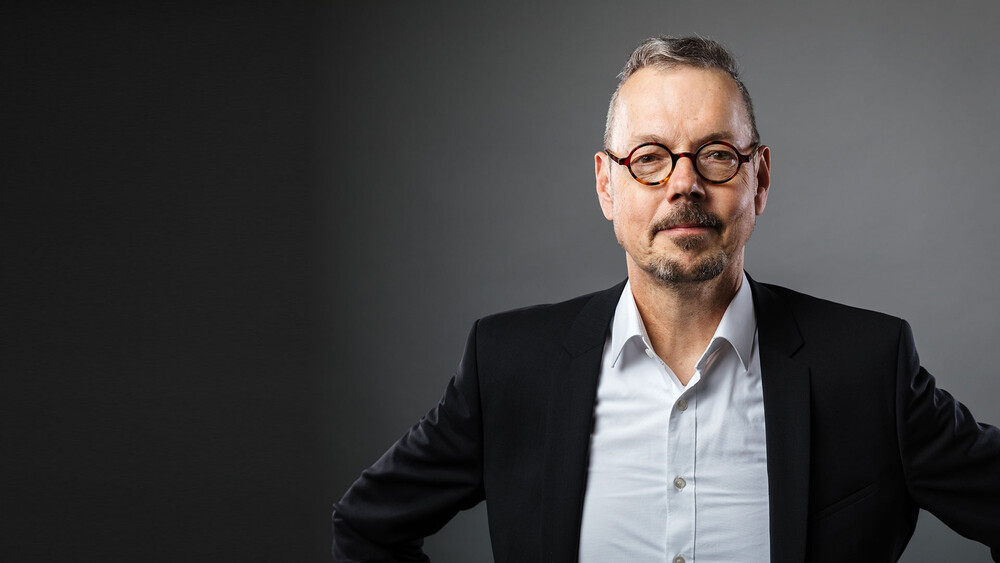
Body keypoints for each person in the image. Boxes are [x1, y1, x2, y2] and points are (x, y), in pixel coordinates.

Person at [332, 36, 1000, 563]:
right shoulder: (508, 364)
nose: (684, 184)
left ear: (760, 179)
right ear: (607, 185)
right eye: (650, 157)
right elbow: (367, 526)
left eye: (716, 154)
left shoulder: (869, 365)